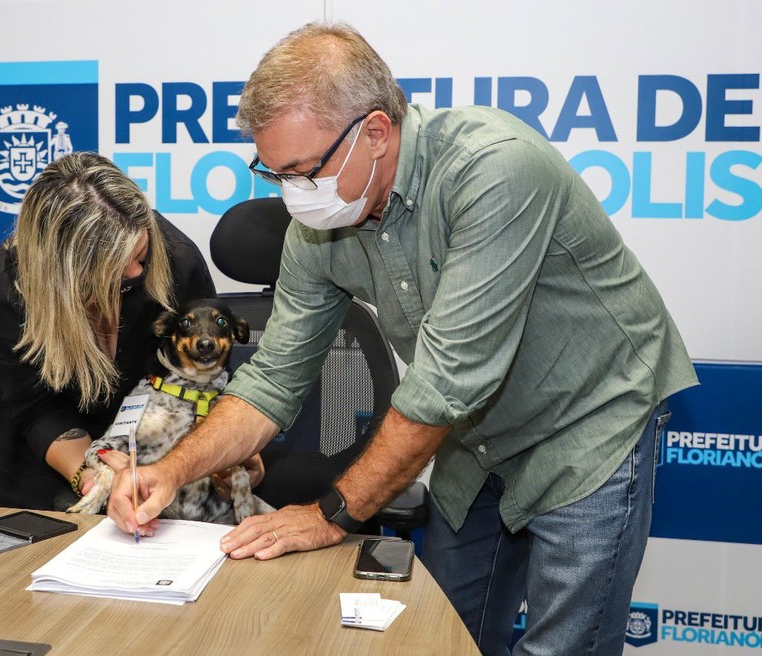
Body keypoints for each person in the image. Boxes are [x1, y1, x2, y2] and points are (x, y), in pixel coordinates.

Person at [107, 23, 698, 655]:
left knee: (560, 649)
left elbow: (446, 382)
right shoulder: (319, 225)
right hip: (475, 438)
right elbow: (273, 378)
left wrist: (332, 513)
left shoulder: (493, 169)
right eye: (274, 172)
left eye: (304, 170)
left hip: (588, 423)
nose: (292, 194)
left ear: (377, 132)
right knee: (437, 636)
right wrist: (170, 472)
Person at [0, 152, 263, 511]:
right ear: (63, 272)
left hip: (137, 445)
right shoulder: (8, 293)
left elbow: (203, 380)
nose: (135, 273)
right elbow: (37, 410)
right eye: (113, 267)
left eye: (141, 255)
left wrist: (223, 446)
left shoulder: (178, 261)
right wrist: (92, 475)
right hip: (19, 455)